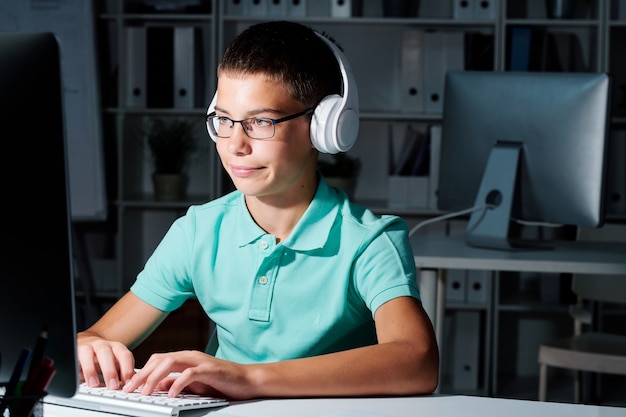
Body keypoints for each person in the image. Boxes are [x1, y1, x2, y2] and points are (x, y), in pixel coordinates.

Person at [77, 20, 439, 400]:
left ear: (323, 127)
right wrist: (91, 346)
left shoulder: (368, 241)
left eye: (260, 122)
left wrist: (247, 378)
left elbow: (417, 359)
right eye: (224, 120)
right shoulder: (200, 231)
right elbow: (97, 335)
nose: (235, 144)